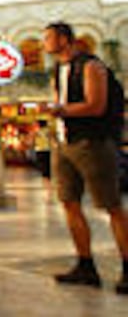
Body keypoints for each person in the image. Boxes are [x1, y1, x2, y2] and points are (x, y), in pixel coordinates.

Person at [43, 22, 128, 294]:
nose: (45, 43)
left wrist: (61, 110)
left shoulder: (90, 66)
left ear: (64, 40)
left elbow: (96, 105)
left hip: (92, 142)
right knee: (69, 202)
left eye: (49, 37)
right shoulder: (58, 69)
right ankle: (85, 265)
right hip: (64, 142)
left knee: (111, 206)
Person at [33, 120, 54, 203]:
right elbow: (53, 141)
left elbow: (31, 142)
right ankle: (49, 192)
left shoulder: (37, 132)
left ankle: (48, 192)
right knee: (48, 172)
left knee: (44, 173)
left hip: (40, 152)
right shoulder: (49, 132)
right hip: (48, 151)